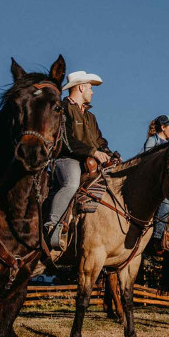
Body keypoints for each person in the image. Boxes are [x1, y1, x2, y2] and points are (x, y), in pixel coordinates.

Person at [46, 70, 112, 250]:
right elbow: (66, 140)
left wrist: (106, 151)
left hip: (90, 160)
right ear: (81, 88)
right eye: (90, 88)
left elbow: (100, 139)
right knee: (72, 183)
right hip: (67, 158)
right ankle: (53, 226)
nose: (92, 92)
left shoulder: (91, 116)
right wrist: (93, 152)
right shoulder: (63, 108)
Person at [143, 114, 169, 253]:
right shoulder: (152, 141)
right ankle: (158, 237)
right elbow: (147, 161)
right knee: (165, 201)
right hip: (153, 182)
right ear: (163, 127)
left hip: (166, 181)